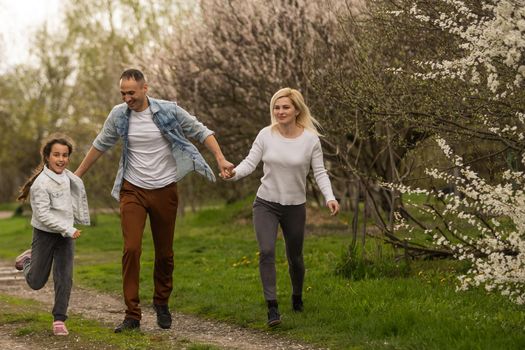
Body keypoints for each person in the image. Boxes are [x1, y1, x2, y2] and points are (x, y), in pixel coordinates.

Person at [74, 68, 234, 333]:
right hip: (132, 190)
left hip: (164, 189)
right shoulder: (118, 115)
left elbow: (200, 130)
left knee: (165, 252)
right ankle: (132, 315)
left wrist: (219, 157)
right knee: (132, 249)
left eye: (132, 93)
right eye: (123, 93)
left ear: (145, 88)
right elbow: (100, 144)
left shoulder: (168, 110)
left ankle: (161, 302)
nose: (127, 98)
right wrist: (77, 176)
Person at [222, 87, 340, 327]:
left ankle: (297, 297)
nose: (280, 111)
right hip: (266, 203)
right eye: (276, 107)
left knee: (295, 257)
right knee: (266, 251)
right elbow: (249, 163)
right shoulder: (266, 135)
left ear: (297, 109)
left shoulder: (310, 140)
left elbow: (319, 172)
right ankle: (272, 308)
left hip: (295, 206)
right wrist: (233, 174)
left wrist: (330, 196)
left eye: (285, 107)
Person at [15, 134, 90, 336]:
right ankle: (28, 259)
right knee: (36, 282)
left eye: (65, 155)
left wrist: (77, 220)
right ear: (47, 157)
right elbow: (43, 215)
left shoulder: (69, 177)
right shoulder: (41, 184)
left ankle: (59, 319)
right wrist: (69, 229)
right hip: (45, 234)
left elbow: (75, 199)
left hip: (66, 235)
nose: (61, 159)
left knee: (64, 277)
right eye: (56, 154)